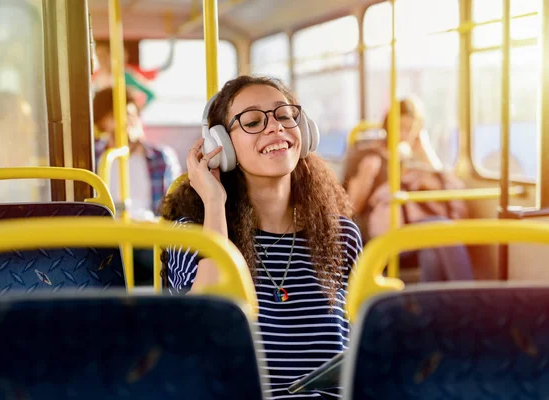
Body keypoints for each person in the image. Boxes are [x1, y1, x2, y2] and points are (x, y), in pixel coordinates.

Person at [159, 75, 362, 399]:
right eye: (253, 121)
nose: (275, 127)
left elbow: (364, 345)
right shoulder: (194, 235)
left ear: (304, 132)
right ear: (220, 144)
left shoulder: (340, 235)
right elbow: (202, 330)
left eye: (285, 116)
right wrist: (214, 203)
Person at [342, 97, 474, 282]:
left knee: (432, 255)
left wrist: (425, 150)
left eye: (410, 129)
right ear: (388, 126)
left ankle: (430, 310)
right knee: (443, 228)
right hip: (382, 234)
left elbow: (448, 189)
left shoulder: (413, 157)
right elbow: (350, 208)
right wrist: (367, 176)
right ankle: (471, 301)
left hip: (414, 225)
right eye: (400, 128)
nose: (404, 134)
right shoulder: (367, 154)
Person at [93, 87, 182, 285]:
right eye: (116, 116)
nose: (125, 121)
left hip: (148, 236)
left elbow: (173, 208)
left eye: (130, 114)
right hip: (108, 237)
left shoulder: (160, 157)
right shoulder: (95, 158)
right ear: (102, 123)